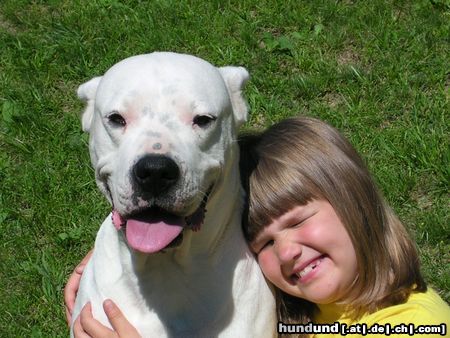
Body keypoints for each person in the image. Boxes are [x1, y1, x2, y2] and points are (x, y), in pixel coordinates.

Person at [65, 116, 450, 337]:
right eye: (263, 243)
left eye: (298, 221)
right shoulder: (301, 306)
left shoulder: (415, 325)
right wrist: (109, 261)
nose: (286, 252)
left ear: (356, 199)